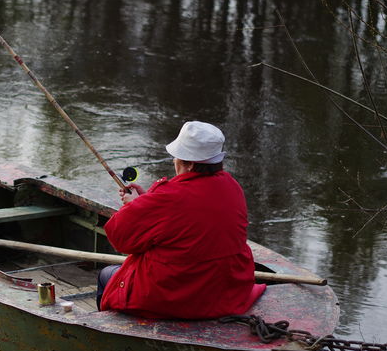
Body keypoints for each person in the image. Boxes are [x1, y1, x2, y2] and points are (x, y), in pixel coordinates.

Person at [96, 121, 265, 319]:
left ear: (190, 164)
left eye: (177, 157)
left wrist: (133, 206)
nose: (174, 161)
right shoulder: (232, 186)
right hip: (227, 291)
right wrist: (144, 202)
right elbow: (187, 216)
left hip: (180, 296)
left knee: (106, 275)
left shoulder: (167, 197)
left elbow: (120, 239)